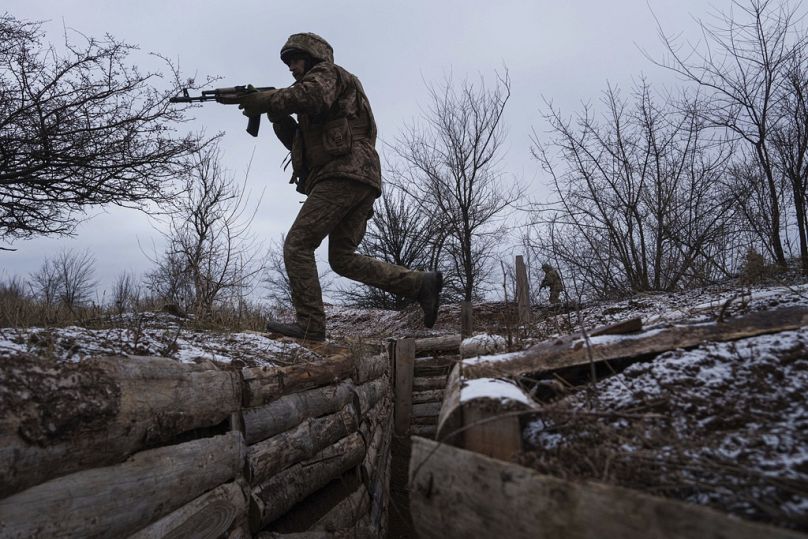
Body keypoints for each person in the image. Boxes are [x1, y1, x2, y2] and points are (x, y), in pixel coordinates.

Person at [234, 32, 442, 341]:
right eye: (288, 63)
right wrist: (276, 117)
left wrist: (266, 100)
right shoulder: (317, 95)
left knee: (298, 244)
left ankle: (310, 326)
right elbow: (299, 145)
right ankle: (419, 284)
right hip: (359, 178)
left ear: (314, 56)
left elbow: (311, 95)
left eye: (296, 60)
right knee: (342, 257)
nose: (292, 68)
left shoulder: (327, 75)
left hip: (345, 173)